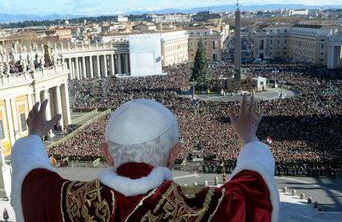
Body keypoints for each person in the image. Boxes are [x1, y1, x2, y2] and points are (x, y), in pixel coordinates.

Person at [11, 95, 279, 222]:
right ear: (175, 154)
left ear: (105, 153)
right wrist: (249, 139)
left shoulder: (69, 202)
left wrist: (34, 135)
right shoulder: (204, 209)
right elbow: (254, 194)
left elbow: (31, 181)